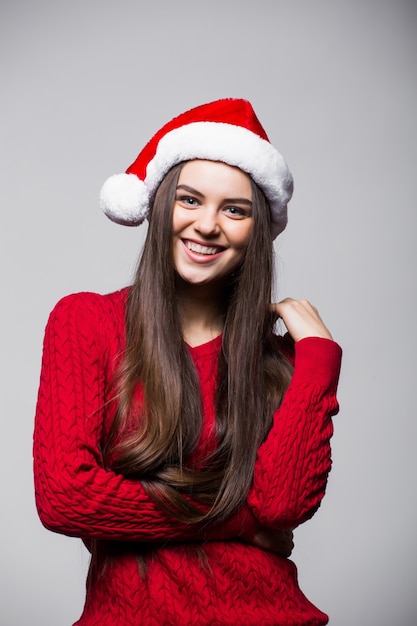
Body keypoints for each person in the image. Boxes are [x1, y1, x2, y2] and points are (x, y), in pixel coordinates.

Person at [33, 98, 342, 625]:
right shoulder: (86, 322)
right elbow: (66, 496)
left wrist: (317, 357)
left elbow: (283, 508)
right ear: (158, 207)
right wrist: (236, 522)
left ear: (256, 230)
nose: (208, 225)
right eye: (190, 200)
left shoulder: (279, 358)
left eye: (234, 209)